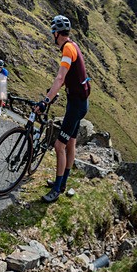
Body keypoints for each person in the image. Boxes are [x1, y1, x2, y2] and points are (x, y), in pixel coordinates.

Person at [38, 15, 91, 203]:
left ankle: (56, 189)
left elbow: (60, 78)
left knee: (59, 145)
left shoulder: (67, 50)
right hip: (80, 103)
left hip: (76, 105)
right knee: (70, 143)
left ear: (57, 33)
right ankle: (62, 182)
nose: (52, 34)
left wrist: (45, 100)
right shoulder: (73, 45)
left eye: (53, 31)